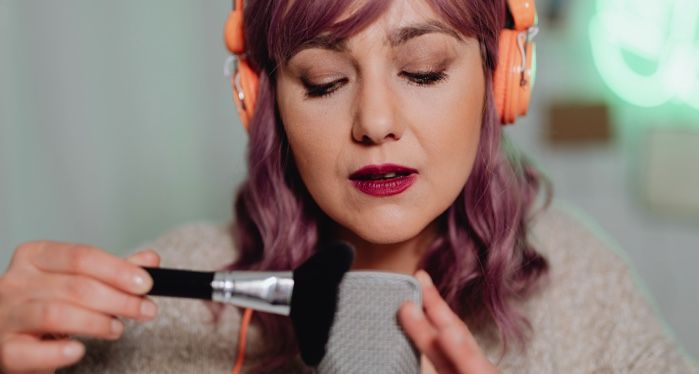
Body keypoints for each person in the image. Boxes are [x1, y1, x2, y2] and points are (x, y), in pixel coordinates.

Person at [1, 0, 696, 373]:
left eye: (422, 70)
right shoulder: (160, 309)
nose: (373, 122)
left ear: (502, 79)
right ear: (262, 100)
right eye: (323, 82)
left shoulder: (581, 285)